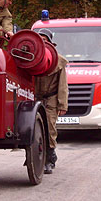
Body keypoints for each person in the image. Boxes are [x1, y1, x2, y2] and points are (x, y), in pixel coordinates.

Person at [35, 28, 69, 174]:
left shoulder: (58, 61)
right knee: (33, 129)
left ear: (50, 42)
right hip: (35, 98)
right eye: (39, 39)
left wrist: (62, 104)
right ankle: (34, 156)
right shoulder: (30, 59)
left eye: (45, 39)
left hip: (51, 98)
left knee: (49, 127)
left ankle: (50, 157)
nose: (42, 42)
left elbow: (63, 86)